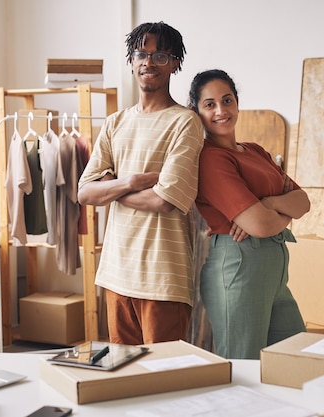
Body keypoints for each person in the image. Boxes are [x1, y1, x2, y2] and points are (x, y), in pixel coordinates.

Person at [77, 22, 204, 345]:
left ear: (175, 63)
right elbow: (84, 191)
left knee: (163, 379)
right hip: (116, 272)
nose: (149, 62)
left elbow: (164, 200)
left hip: (163, 277)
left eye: (160, 55)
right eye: (141, 54)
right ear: (131, 62)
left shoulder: (185, 122)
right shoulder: (115, 122)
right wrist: (132, 181)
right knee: (124, 378)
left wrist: (113, 187)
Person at [188, 69, 310, 359]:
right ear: (197, 112)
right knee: (243, 365)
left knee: (294, 359)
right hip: (238, 265)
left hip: (275, 272)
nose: (221, 110)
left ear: (237, 103)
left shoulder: (255, 151)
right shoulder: (210, 159)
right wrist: (276, 208)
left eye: (227, 100)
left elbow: (303, 202)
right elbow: (258, 223)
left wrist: (266, 204)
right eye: (210, 104)